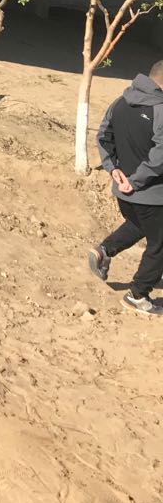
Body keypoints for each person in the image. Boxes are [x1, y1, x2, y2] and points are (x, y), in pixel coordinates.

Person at [91, 61, 163, 316]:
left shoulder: (120, 101)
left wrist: (113, 169)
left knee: (138, 225)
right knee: (159, 243)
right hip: (152, 196)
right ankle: (138, 295)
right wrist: (137, 180)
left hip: (123, 192)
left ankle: (104, 251)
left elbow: (103, 136)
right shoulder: (160, 110)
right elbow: (159, 158)